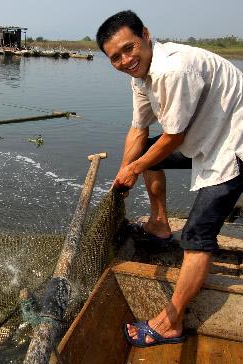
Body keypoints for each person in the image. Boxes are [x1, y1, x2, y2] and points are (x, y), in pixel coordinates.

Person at [96, 10, 243, 347]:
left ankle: (171, 322)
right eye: (115, 57)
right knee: (144, 154)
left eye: (129, 48)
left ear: (146, 35)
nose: (125, 60)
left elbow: (174, 137)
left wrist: (133, 169)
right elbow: (139, 129)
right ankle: (160, 224)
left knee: (196, 236)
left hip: (234, 146)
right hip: (207, 139)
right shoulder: (140, 77)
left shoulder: (173, 69)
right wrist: (125, 167)